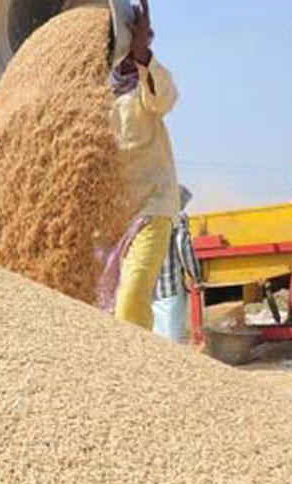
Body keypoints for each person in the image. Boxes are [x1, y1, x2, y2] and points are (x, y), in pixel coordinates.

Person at [97, 0, 181, 332]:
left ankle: (137, 370)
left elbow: (165, 99)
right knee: (98, 304)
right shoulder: (94, 89)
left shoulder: (146, 81)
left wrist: (143, 55)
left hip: (151, 208)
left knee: (130, 297)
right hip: (109, 216)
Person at [152, 186, 202, 343]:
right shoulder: (178, 218)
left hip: (150, 289)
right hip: (171, 288)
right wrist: (196, 275)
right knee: (172, 340)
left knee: (155, 338)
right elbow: (183, 246)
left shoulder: (150, 218)